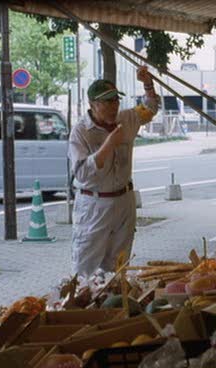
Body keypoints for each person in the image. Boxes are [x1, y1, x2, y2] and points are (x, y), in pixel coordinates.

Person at [68, 66, 160, 279]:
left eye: (116, 101)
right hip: (94, 204)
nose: (113, 107)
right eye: (107, 102)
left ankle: (116, 303)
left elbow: (151, 108)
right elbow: (81, 174)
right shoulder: (81, 132)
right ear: (92, 105)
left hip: (124, 200)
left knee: (119, 265)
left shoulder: (127, 118)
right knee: (86, 267)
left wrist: (147, 84)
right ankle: (82, 307)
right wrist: (108, 144)